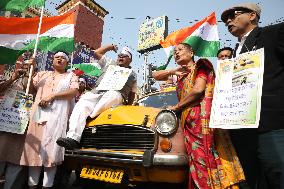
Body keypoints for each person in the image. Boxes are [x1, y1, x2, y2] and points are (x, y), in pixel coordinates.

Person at [153, 43, 245, 189]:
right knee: (196, 161)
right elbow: (155, 75)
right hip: (188, 124)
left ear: (191, 52)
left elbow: (198, 90)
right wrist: (173, 71)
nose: (176, 53)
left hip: (202, 122)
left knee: (207, 157)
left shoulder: (200, 67)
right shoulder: (181, 75)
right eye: (175, 51)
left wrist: (176, 107)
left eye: (180, 50)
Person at [221, 3, 284, 189]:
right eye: (225, 20)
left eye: (233, 15)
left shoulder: (274, 34)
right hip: (242, 130)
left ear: (252, 16)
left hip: (271, 126)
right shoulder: (234, 53)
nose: (228, 21)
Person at [57, 44, 137, 150]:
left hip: (116, 95)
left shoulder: (133, 74)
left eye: (124, 56)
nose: (120, 57)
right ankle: (73, 138)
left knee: (112, 95)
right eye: (119, 55)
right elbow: (96, 53)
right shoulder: (110, 63)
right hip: (97, 92)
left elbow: (132, 93)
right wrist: (110, 47)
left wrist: (129, 105)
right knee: (83, 101)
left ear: (130, 60)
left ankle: (91, 117)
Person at [19, 52, 79, 189]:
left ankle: (48, 185)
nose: (59, 58)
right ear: (52, 60)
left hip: (57, 119)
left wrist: (53, 95)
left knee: (52, 153)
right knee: (34, 153)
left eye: (63, 57)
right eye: (57, 56)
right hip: (38, 117)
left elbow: (74, 92)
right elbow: (28, 87)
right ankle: (31, 185)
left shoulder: (71, 76)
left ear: (67, 63)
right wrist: (31, 69)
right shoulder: (42, 74)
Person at [0, 62, 32, 189]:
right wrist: (14, 78)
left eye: (29, 67)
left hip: (22, 129)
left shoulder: (35, 81)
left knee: (15, 160)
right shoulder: (9, 79)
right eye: (24, 66)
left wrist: (30, 77)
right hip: (5, 123)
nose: (25, 69)